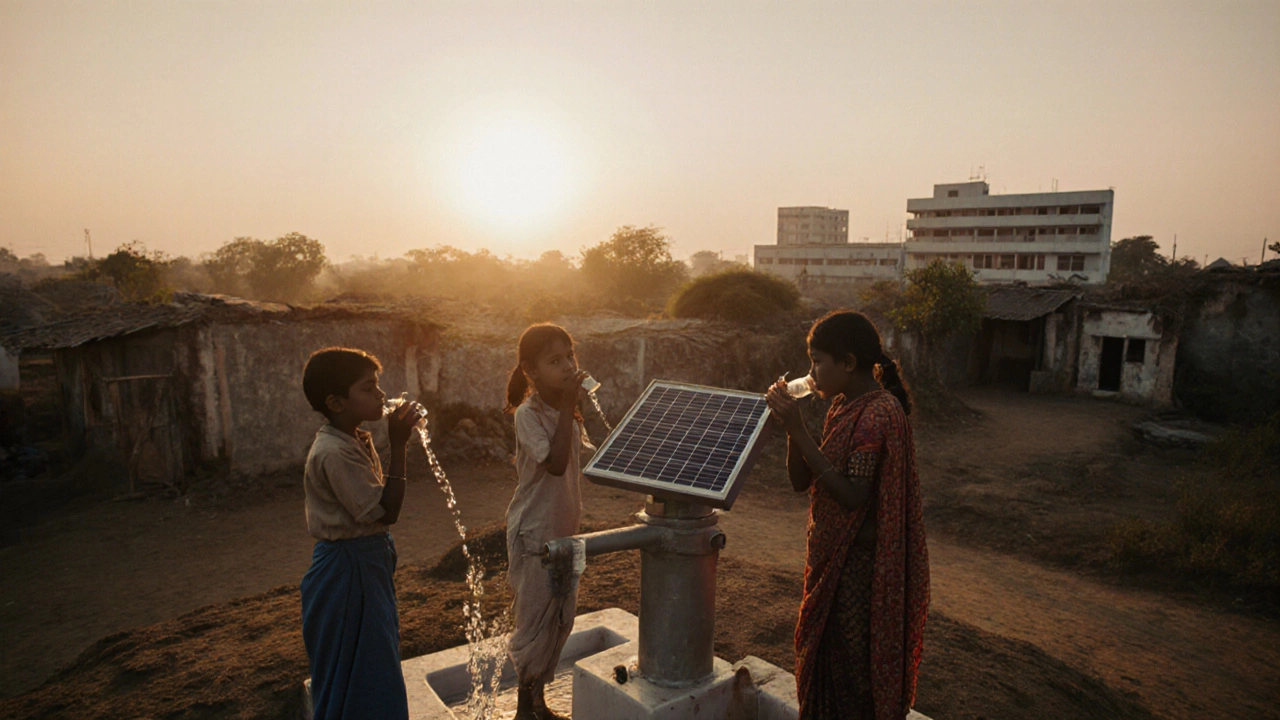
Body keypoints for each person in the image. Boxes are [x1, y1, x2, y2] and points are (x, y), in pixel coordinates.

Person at [765, 310, 930, 720]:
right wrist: (792, 427)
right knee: (825, 669)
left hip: (858, 573)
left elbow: (854, 495)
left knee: (853, 678)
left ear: (849, 363)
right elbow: (801, 481)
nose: (811, 374)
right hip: (831, 565)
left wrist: (799, 430)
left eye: (817, 362)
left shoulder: (879, 413)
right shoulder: (842, 405)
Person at [299, 347, 422, 720]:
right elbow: (387, 511)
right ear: (336, 402)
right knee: (363, 672)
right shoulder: (334, 453)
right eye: (368, 388)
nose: (381, 395)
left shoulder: (351, 439)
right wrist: (399, 443)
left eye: (378, 385)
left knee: (371, 664)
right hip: (348, 573)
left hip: (363, 568)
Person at [504, 323, 593, 720]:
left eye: (569, 357)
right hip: (535, 533)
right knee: (535, 621)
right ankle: (524, 710)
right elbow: (556, 465)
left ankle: (539, 703)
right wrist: (570, 404)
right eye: (554, 361)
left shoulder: (568, 414)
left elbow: (580, 460)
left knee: (561, 617)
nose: (568, 366)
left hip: (566, 530)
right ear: (531, 371)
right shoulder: (528, 415)